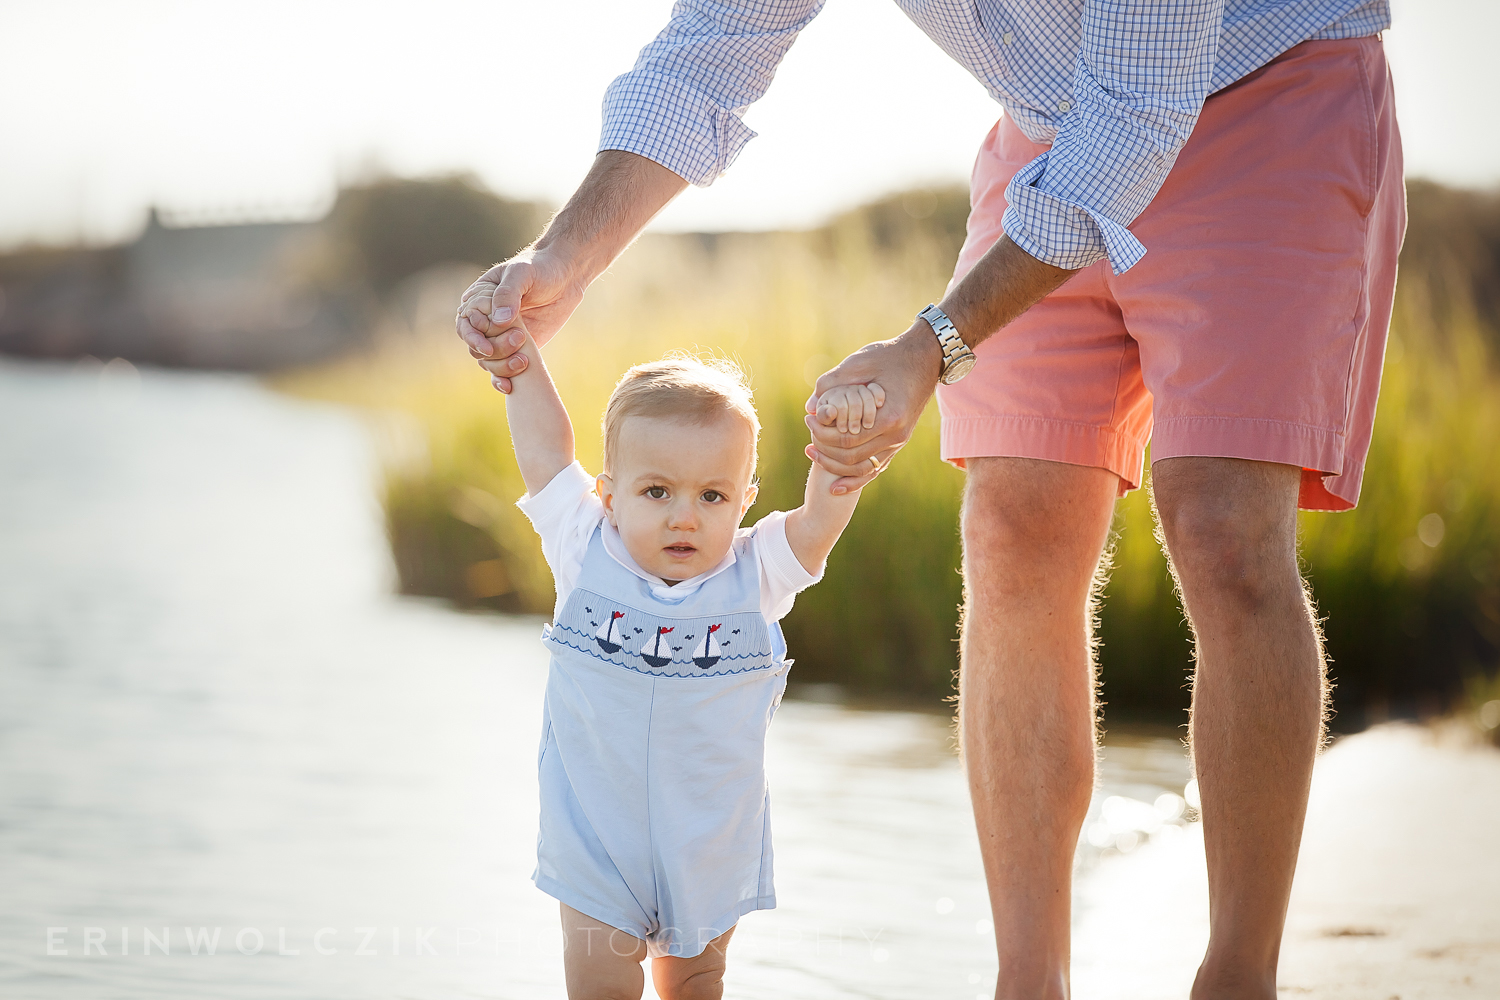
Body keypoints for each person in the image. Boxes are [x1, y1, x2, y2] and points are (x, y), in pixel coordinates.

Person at [456, 3, 1403, 996]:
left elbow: (1136, 115)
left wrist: (927, 349)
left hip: (1264, 101)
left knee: (1222, 530)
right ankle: (1026, 981)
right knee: (1011, 525)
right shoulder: (599, 537)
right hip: (1050, 135)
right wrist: (563, 254)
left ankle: (1239, 975)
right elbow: (705, 57)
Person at [496, 316, 883, 1000]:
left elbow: (818, 522)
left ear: (745, 500)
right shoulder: (583, 545)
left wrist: (840, 452)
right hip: (595, 835)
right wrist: (518, 356)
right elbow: (546, 450)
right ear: (610, 495)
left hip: (706, 841)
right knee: (599, 988)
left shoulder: (755, 573)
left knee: (698, 982)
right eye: (657, 492)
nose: (686, 517)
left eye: (713, 496)